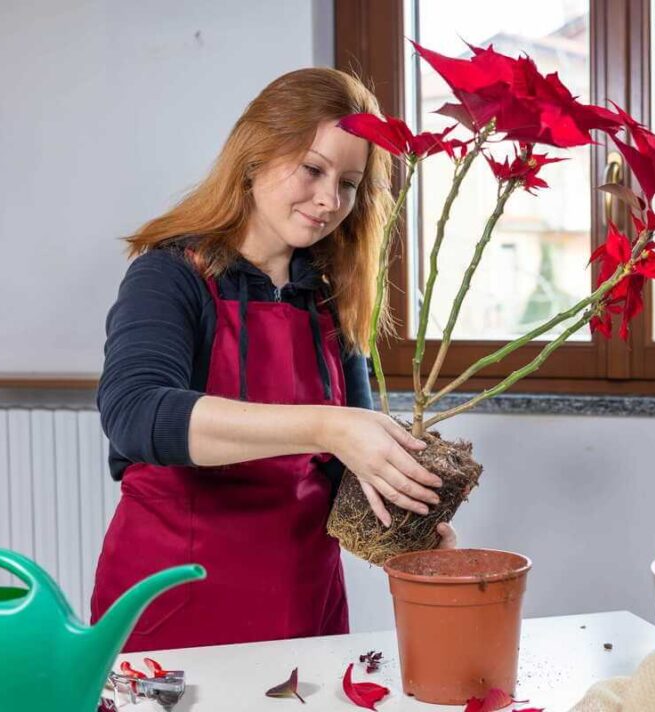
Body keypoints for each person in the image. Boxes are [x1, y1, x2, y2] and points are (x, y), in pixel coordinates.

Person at [90, 68, 455, 652]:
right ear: (255, 157)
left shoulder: (332, 297)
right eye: (313, 169)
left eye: (351, 183)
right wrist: (327, 425)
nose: (329, 200)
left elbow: (345, 474)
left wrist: (415, 534)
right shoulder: (168, 277)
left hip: (303, 606)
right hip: (173, 605)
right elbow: (137, 416)